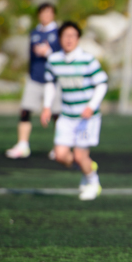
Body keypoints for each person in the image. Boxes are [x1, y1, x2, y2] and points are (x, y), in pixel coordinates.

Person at [40, 21, 108, 200]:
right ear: (59, 38)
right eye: (65, 36)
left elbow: (102, 84)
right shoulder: (54, 60)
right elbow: (50, 84)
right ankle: (87, 167)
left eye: (73, 36)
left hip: (86, 120)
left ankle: (93, 182)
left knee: (79, 155)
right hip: (66, 117)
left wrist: (91, 106)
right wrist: (46, 107)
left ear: (78, 38)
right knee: (60, 156)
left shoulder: (87, 59)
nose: (69, 39)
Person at [6, 2, 62, 159]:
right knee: (25, 110)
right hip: (35, 78)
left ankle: (59, 146)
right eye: (43, 13)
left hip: (54, 80)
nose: (46, 16)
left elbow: (62, 56)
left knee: (57, 114)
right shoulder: (35, 33)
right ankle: (23, 145)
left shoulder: (59, 32)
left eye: (49, 13)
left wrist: (48, 52)